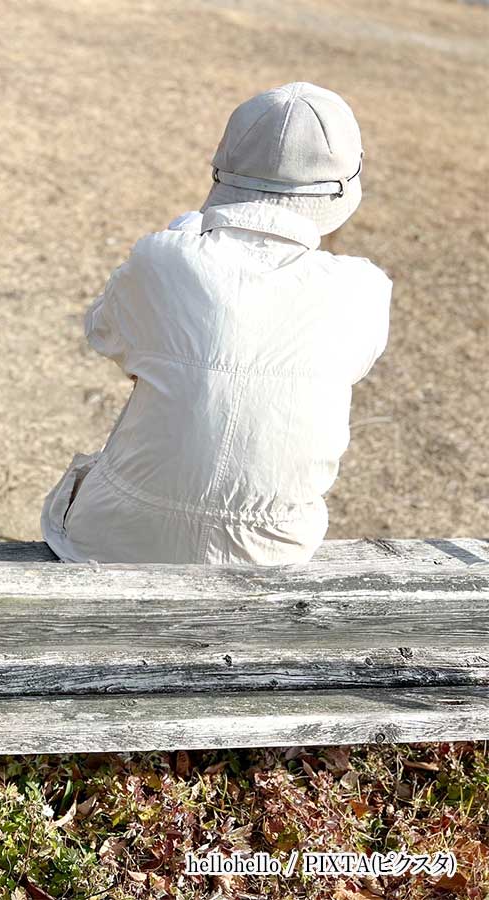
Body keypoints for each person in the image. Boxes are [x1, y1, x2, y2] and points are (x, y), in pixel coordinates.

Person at [40, 82, 391, 565]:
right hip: (272, 555)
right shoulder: (364, 288)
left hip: (111, 540)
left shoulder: (163, 257)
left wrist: (181, 238)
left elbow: (103, 332)